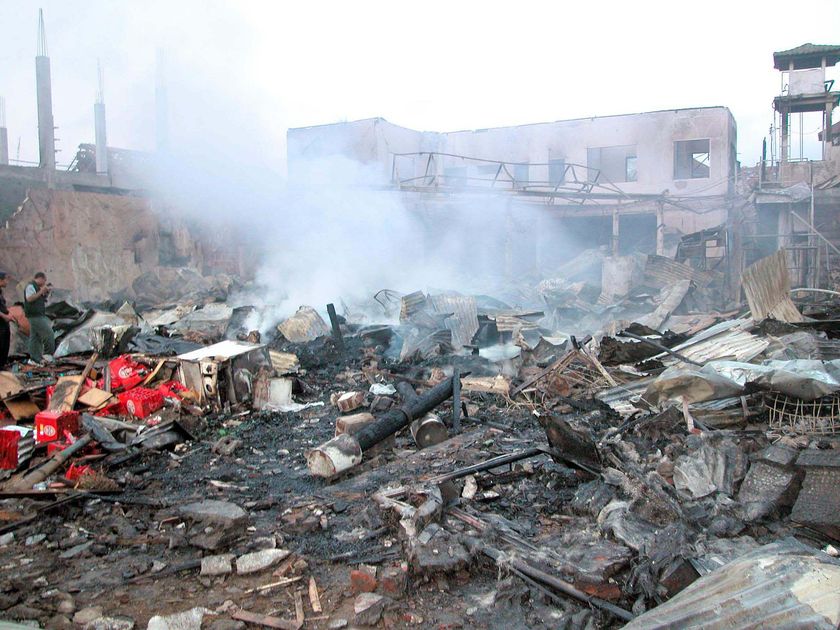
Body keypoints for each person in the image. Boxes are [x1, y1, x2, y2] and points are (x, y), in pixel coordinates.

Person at [23, 272, 55, 364]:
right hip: (34, 315)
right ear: (41, 278)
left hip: (38, 314)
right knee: (49, 333)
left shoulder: (36, 288)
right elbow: (29, 298)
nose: (45, 283)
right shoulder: (30, 286)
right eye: (44, 280)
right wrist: (41, 291)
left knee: (35, 337)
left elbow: (39, 299)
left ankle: (34, 358)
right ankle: (48, 355)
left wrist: (44, 293)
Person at [0, 273, 13, 367]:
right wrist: (4, 316)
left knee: (5, 345)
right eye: (5, 280)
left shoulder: (1, 292)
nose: (7, 282)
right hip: (0, 323)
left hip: (4, 323)